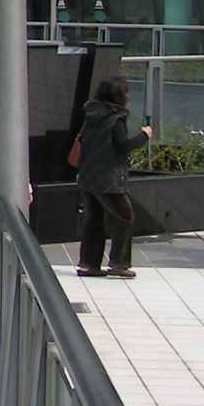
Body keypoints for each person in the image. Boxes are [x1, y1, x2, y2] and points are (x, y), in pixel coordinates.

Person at [75, 76, 149, 279]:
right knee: (124, 217)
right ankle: (119, 263)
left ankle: (88, 264)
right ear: (119, 96)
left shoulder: (91, 114)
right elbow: (122, 146)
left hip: (88, 176)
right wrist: (144, 135)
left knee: (93, 219)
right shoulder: (115, 118)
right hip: (108, 178)